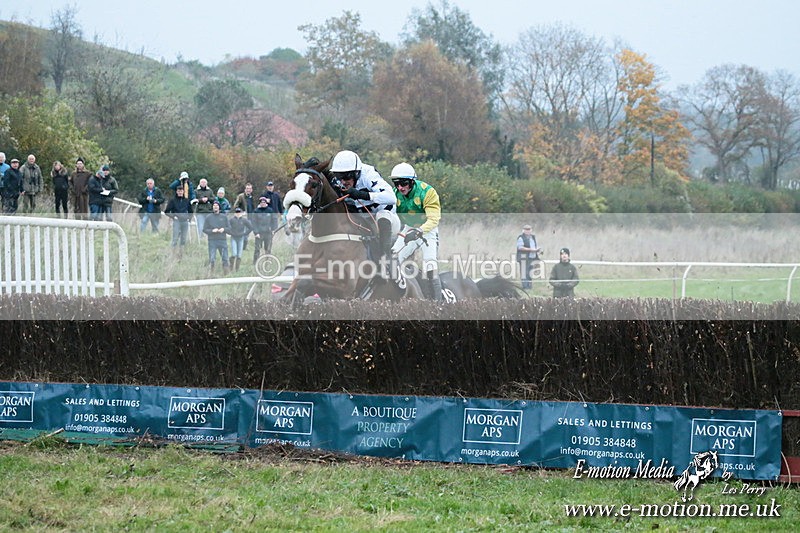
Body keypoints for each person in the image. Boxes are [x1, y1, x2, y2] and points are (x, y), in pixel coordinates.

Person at [329, 150, 399, 277]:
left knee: (383, 215)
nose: (343, 181)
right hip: (362, 218)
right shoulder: (337, 181)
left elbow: (392, 198)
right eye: (339, 176)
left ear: (356, 173)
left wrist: (363, 195)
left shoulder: (368, 175)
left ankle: (386, 260)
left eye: (347, 177)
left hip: (384, 217)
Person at [389, 162, 443, 301]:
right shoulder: (394, 194)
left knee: (430, 266)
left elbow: (434, 219)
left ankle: (439, 304)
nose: (400, 187)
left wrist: (419, 231)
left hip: (428, 230)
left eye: (404, 183)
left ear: (412, 181)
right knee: (393, 259)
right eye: (396, 183)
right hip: (409, 228)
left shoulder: (428, 192)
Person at [203, 201, 231, 275]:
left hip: (222, 240)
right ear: (212, 207)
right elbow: (204, 229)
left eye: (217, 205)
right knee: (212, 259)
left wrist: (224, 229)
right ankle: (211, 274)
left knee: (225, 258)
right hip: (212, 241)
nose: (215, 207)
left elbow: (229, 228)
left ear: (219, 207)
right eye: (214, 205)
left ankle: (226, 274)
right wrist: (212, 231)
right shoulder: (208, 217)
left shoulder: (224, 217)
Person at [164, 186, 191, 250]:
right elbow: (166, 211)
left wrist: (189, 218)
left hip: (185, 221)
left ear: (183, 192)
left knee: (183, 238)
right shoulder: (173, 200)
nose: (180, 192)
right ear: (176, 192)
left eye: (181, 191)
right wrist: (173, 216)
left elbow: (191, 211)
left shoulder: (187, 200)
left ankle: (181, 251)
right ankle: (173, 250)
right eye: (179, 191)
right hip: (177, 221)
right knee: (175, 238)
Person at [516, 224, 542, 290]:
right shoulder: (521, 238)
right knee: (524, 273)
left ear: (531, 230)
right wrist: (532, 250)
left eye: (529, 229)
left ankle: (529, 287)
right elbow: (520, 248)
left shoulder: (533, 237)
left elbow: (534, 246)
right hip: (524, 258)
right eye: (526, 229)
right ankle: (525, 287)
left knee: (530, 273)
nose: (527, 231)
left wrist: (537, 250)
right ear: (523, 230)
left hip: (532, 258)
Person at [228, 207, 253, 271]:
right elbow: (227, 227)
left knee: (239, 255)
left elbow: (250, 227)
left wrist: (245, 233)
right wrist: (230, 233)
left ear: (241, 213)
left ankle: (237, 269)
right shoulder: (231, 220)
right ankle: (231, 266)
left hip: (241, 238)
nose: (238, 214)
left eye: (239, 212)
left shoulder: (244, 220)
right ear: (234, 213)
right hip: (233, 238)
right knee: (234, 253)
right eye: (237, 212)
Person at [250, 196, 273, 264]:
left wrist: (273, 229)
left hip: (268, 233)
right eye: (261, 202)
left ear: (266, 203)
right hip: (259, 234)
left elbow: (274, 221)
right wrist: (256, 233)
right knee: (257, 249)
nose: (263, 203)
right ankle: (255, 262)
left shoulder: (270, 211)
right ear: (259, 203)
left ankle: (267, 262)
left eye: (264, 202)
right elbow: (254, 223)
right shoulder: (256, 211)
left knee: (268, 249)